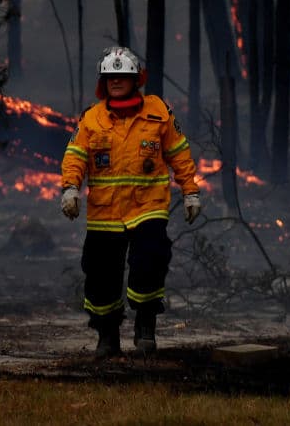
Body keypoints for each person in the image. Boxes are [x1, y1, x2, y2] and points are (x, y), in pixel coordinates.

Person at [60, 46, 201, 359]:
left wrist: (190, 191)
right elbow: (75, 157)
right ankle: (107, 336)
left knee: (150, 262)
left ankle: (145, 325)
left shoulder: (159, 112)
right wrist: (70, 188)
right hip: (104, 214)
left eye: (123, 76)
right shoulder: (91, 119)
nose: (116, 82)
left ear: (136, 79)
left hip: (147, 207)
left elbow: (179, 154)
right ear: (103, 82)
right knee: (99, 276)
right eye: (111, 77)